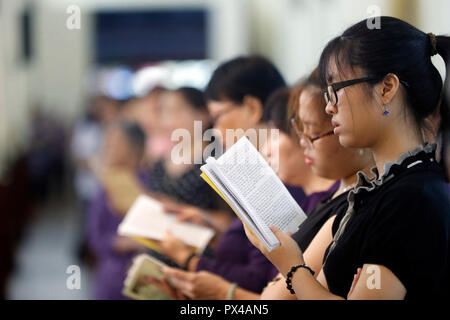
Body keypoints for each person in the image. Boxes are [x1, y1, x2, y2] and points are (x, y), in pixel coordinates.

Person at [244, 16, 450, 300]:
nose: (329, 107)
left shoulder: (411, 198)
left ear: (386, 88)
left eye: (335, 91)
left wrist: (292, 268)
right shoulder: (379, 191)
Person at [87, 120, 148, 300]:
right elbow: (95, 237)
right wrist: (123, 243)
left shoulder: (151, 184)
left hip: (144, 278)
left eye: (115, 143)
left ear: (135, 148)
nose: (107, 148)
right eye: (107, 142)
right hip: (112, 279)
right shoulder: (107, 187)